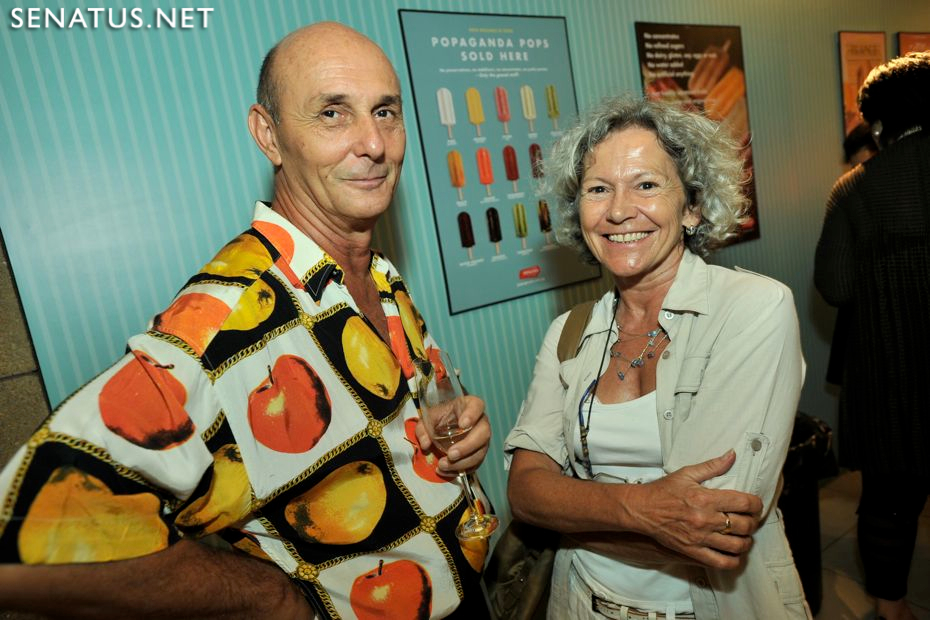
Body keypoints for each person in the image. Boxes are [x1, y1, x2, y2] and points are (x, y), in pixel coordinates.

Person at [0, 22, 492, 619]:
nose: (373, 143)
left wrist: (441, 430)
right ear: (269, 135)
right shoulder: (225, 318)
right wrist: (266, 597)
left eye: (384, 112)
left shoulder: (376, 273)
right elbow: (26, 542)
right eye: (332, 114)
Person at [506, 96, 808, 619]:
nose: (618, 210)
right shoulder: (570, 332)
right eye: (598, 189)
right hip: (580, 603)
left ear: (692, 206)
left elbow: (715, 530)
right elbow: (525, 492)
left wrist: (571, 515)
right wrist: (642, 508)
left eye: (646, 185)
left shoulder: (754, 309)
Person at [815, 52, 930, 620]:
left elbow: (835, 286)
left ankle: (891, 607)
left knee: (889, 499)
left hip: (889, 375)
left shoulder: (854, 190)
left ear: (880, 123)